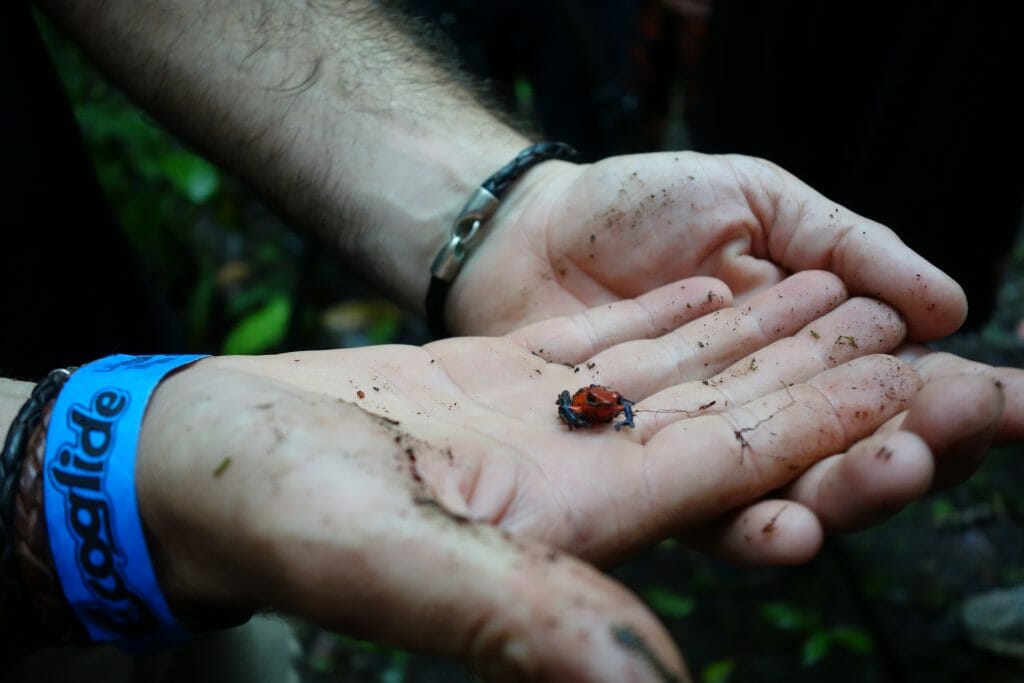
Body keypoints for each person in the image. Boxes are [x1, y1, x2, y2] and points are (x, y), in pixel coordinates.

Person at [2, 0, 1021, 680]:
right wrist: (69, 473)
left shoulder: (588, 397)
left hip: (112, 384)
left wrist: (496, 205)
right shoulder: (591, 400)